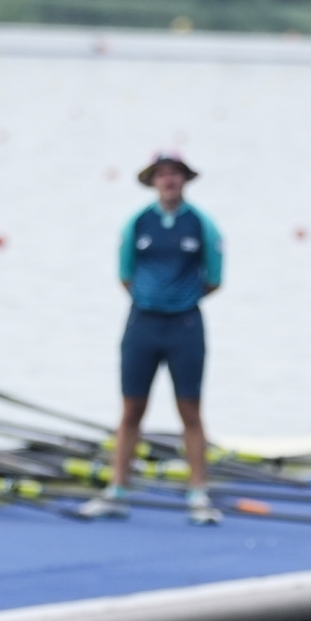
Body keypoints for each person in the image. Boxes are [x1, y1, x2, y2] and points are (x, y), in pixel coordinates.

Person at [78, 151, 223, 524]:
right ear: (154, 181)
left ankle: (198, 494)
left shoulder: (201, 224)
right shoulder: (138, 223)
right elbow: (125, 274)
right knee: (130, 412)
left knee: (190, 411)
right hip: (142, 323)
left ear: (184, 181)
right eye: (162, 175)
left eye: (175, 174)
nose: (169, 180)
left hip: (185, 326)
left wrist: (178, 299)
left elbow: (214, 279)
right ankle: (117, 490)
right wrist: (153, 298)